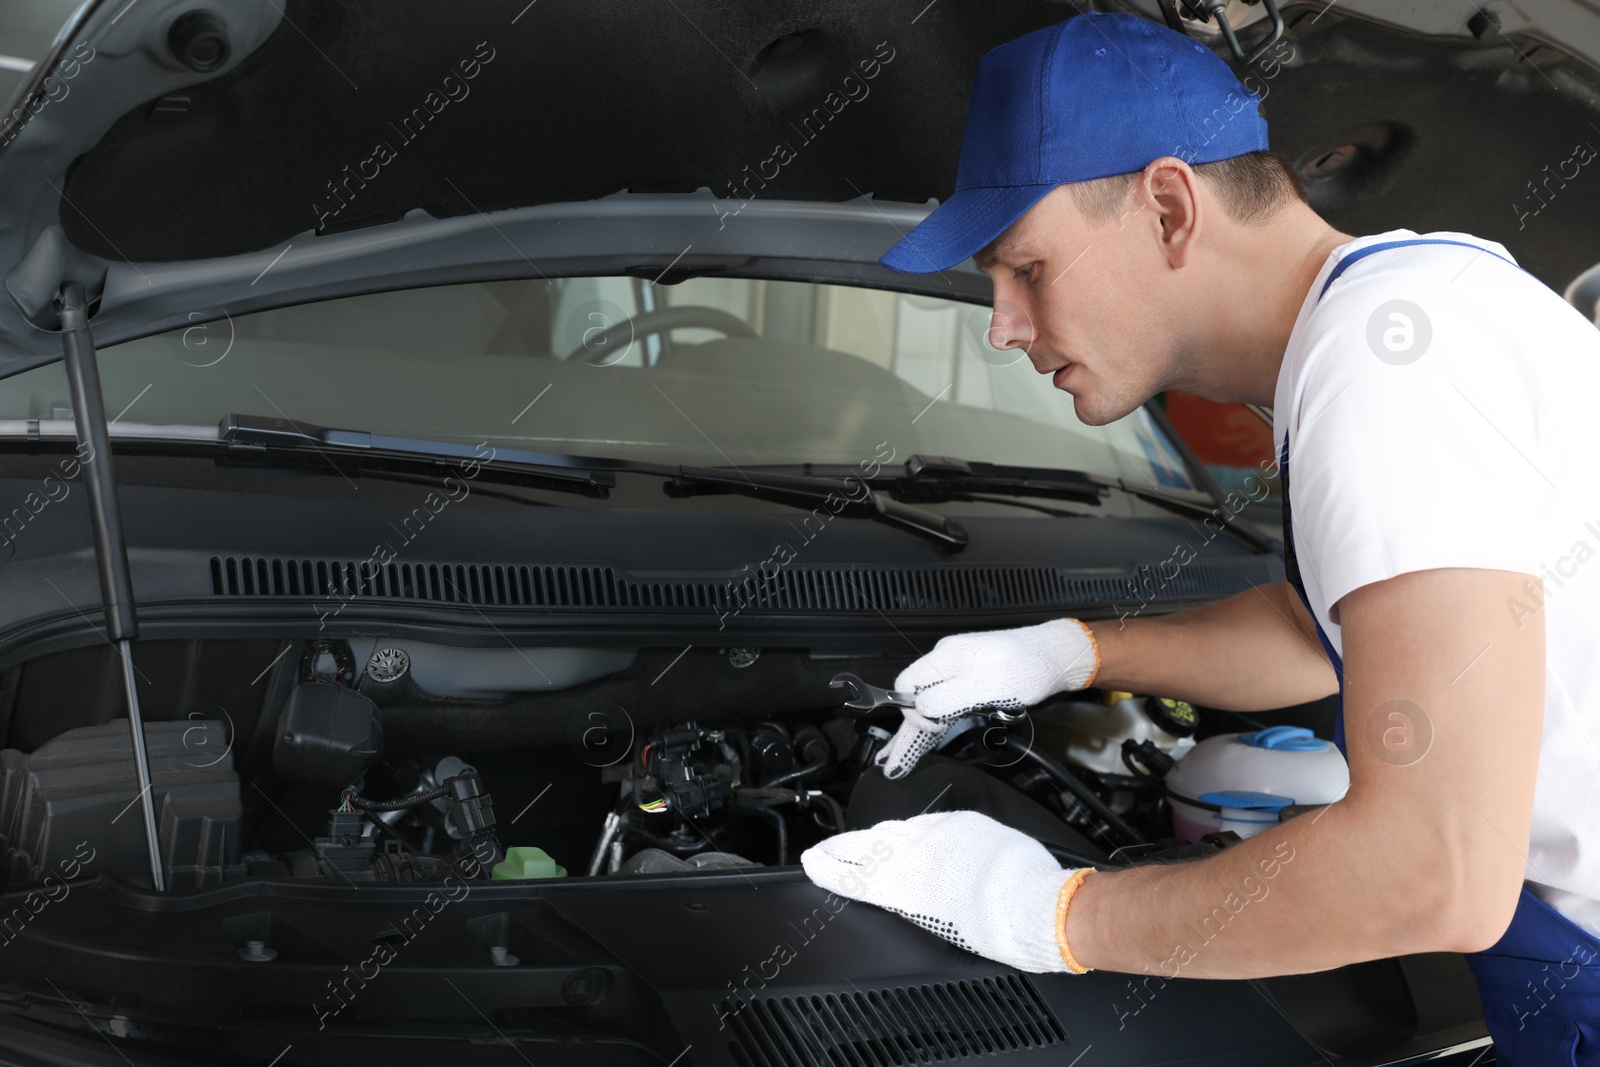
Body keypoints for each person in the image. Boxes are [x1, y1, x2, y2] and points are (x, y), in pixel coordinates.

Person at [798, 12, 1600, 1064]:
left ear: (1170, 205)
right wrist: (1068, 652)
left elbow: (1432, 870)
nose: (1001, 323)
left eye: (1026, 268)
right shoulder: (1410, 309)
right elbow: (1333, 634)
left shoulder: (1388, 366)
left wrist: (1053, 912)